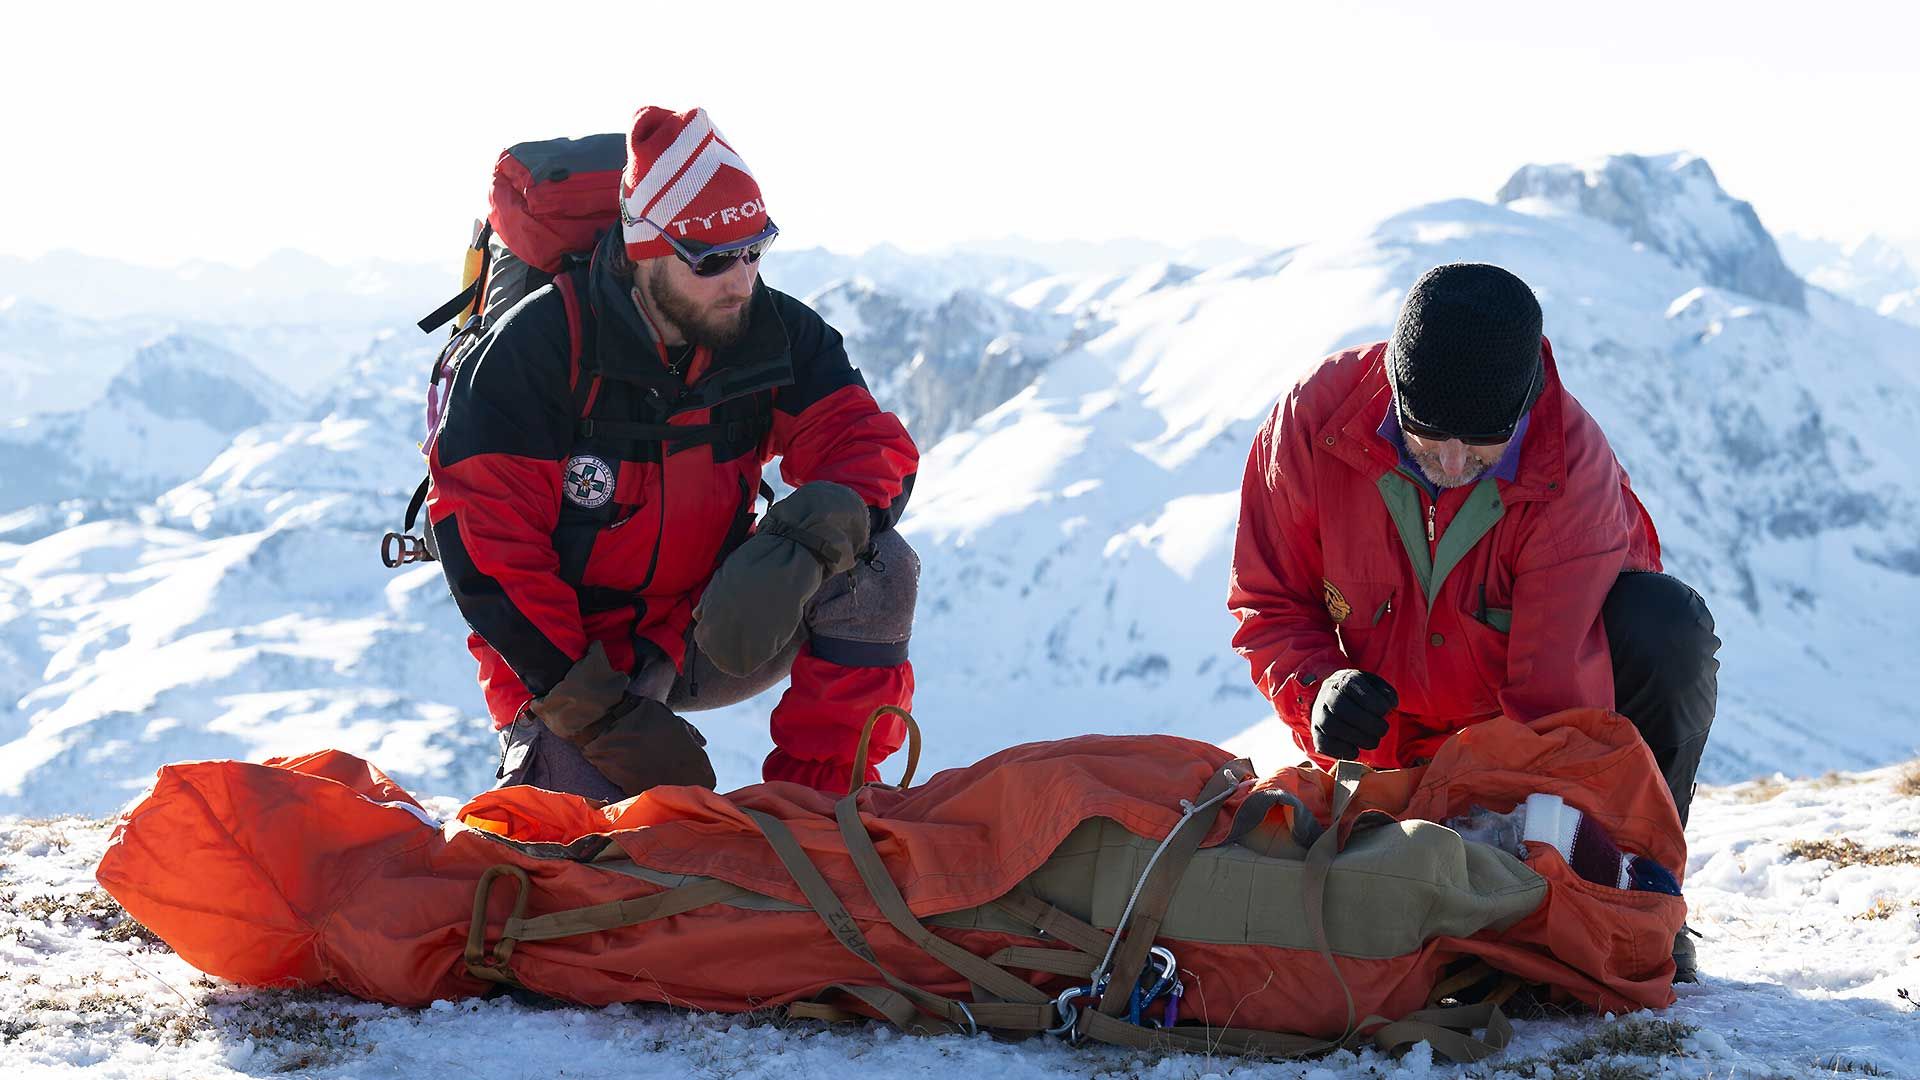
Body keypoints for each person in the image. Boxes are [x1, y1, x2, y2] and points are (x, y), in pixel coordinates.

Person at [1227, 262, 1718, 979]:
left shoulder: (1568, 473)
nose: (1451, 461)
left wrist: (1518, 858)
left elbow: (1558, 715)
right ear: (1393, 385)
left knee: (1665, 627)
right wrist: (1317, 689)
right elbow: (1269, 601)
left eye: (1483, 441)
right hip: (1387, 754)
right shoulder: (1313, 425)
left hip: (1519, 739)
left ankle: (1633, 895)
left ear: (1524, 404)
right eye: (1426, 432)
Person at [428, 106, 920, 800]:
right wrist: (597, 715)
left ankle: (822, 807)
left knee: (878, 566)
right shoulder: (538, 351)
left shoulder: (766, 329)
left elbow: (866, 443)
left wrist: (807, 543)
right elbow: (489, 552)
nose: (741, 279)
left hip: (708, 622)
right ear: (644, 248)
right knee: (596, 867)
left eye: (755, 249)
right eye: (712, 259)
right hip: (570, 659)